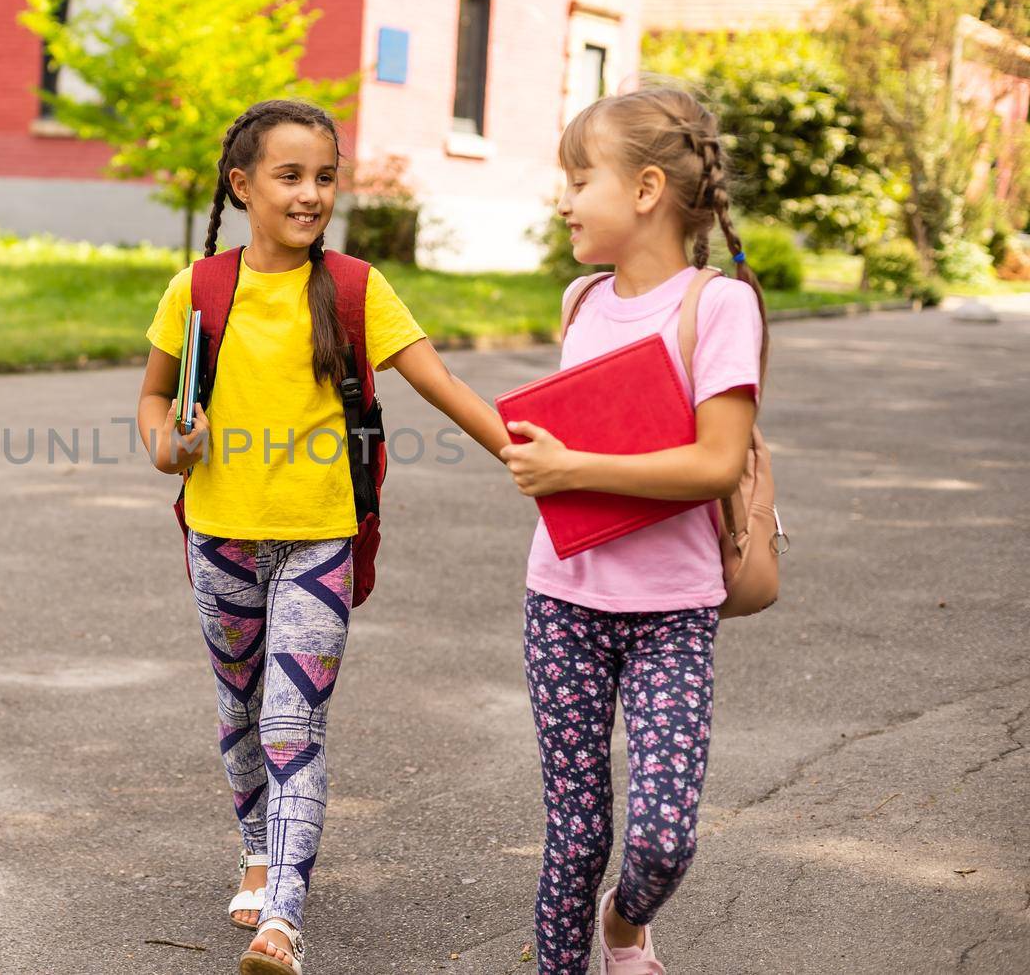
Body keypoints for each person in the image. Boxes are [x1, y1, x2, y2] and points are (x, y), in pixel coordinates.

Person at [136, 98, 511, 975]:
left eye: (325, 178)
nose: (311, 195)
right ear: (243, 185)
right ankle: (258, 852)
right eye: (290, 176)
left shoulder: (352, 288)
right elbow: (155, 398)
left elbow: (440, 381)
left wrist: (527, 454)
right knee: (238, 707)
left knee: (291, 721)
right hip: (220, 535)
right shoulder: (200, 289)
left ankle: (282, 921)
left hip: (319, 539)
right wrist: (167, 445)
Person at [497, 85, 769, 975]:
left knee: (661, 838)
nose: (564, 198)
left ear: (646, 188)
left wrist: (572, 468)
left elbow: (716, 463)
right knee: (574, 838)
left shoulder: (718, 306)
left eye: (580, 177)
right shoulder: (579, 302)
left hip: (671, 613)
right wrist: (549, 463)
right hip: (563, 602)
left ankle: (628, 921)